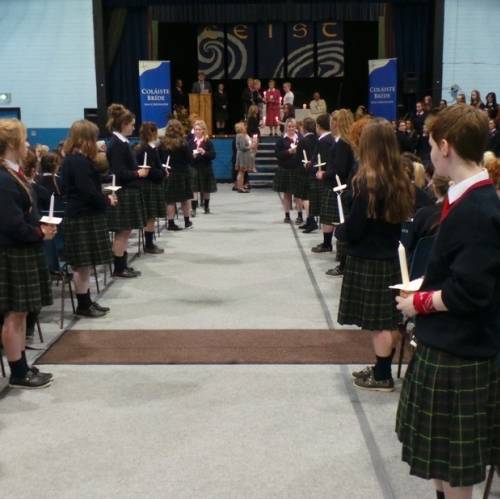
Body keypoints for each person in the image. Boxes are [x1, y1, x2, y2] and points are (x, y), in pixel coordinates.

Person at [396, 104, 500, 499]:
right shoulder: (464, 198)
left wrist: (417, 303)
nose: (428, 156)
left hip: (461, 350)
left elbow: (470, 292)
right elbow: (463, 270)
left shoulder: (477, 207)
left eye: (430, 147)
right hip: (450, 343)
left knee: (456, 468)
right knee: (443, 460)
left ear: (446, 146)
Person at [336, 118, 414, 391]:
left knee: (379, 325)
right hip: (390, 256)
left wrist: (341, 232)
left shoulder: (366, 182)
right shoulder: (399, 177)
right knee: (389, 320)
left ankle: (382, 375)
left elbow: (356, 228)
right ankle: (381, 367)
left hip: (368, 259)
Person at [0, 118, 55, 388]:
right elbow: (11, 223)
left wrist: (39, 227)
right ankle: (18, 372)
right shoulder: (3, 178)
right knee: (14, 313)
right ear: (12, 144)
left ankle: (22, 365)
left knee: (20, 313)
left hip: (21, 249)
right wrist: (38, 233)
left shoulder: (13, 172)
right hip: (12, 252)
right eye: (24, 140)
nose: (28, 144)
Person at [61, 119, 116, 317]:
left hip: (85, 215)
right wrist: (106, 201)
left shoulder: (78, 159)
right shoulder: (77, 161)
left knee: (85, 264)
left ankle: (87, 301)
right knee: (81, 264)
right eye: (94, 137)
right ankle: (83, 305)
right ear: (86, 139)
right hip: (81, 217)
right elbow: (88, 192)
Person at [106, 104, 149, 278]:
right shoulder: (117, 144)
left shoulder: (122, 142)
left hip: (129, 189)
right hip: (124, 191)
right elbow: (117, 172)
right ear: (123, 124)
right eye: (131, 124)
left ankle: (122, 264)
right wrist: (137, 172)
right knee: (122, 231)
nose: (134, 127)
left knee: (126, 230)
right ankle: (118, 267)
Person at [313, 109, 355, 255]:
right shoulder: (342, 141)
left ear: (337, 123)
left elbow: (340, 169)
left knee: (337, 219)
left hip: (336, 186)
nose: (330, 124)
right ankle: (331, 246)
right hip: (337, 185)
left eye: (333, 121)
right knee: (335, 218)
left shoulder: (343, 143)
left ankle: (338, 252)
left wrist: (324, 174)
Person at [135, 122, 167, 254]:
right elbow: (150, 170)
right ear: (152, 133)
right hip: (149, 185)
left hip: (150, 184)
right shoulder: (145, 149)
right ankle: (148, 244)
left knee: (151, 216)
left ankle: (149, 243)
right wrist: (163, 173)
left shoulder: (147, 148)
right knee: (150, 215)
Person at [302, 113, 334, 234]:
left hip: (320, 178)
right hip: (322, 176)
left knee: (323, 208)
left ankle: (326, 238)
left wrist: (312, 167)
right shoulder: (328, 139)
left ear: (318, 126)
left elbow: (323, 160)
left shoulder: (324, 141)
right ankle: (312, 222)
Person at [160, 119, 194, 230]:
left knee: (170, 199)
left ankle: (170, 223)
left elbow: (159, 159)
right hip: (182, 173)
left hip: (169, 172)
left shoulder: (163, 143)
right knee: (185, 198)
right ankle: (187, 221)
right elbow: (190, 158)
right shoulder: (183, 142)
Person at [188, 119, 217, 215]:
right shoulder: (191, 142)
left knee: (206, 189)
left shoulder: (208, 142)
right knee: (194, 189)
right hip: (194, 167)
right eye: (195, 129)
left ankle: (206, 207)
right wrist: (192, 156)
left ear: (203, 130)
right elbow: (187, 156)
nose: (197, 131)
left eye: (199, 129)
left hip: (205, 167)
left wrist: (204, 152)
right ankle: (194, 209)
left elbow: (213, 155)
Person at [274, 118, 299, 223]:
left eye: (293, 126)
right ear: (286, 128)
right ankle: (287, 215)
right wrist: (289, 152)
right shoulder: (281, 140)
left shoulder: (300, 138)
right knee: (287, 194)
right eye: (289, 126)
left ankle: (300, 215)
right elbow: (278, 155)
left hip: (297, 170)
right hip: (285, 169)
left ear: (295, 127)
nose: (291, 128)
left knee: (299, 194)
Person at [295, 117, 317, 228]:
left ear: (304, 128)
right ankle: (310, 220)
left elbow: (298, 157)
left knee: (305, 197)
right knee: (310, 196)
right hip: (315, 170)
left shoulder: (303, 141)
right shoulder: (317, 138)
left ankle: (310, 220)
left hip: (304, 171)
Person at [234, 122, 255, 193]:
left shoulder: (240, 135)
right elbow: (243, 147)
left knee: (241, 172)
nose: (245, 127)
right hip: (242, 155)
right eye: (243, 126)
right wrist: (250, 146)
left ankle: (240, 186)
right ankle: (240, 187)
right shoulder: (241, 135)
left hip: (242, 155)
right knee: (241, 171)